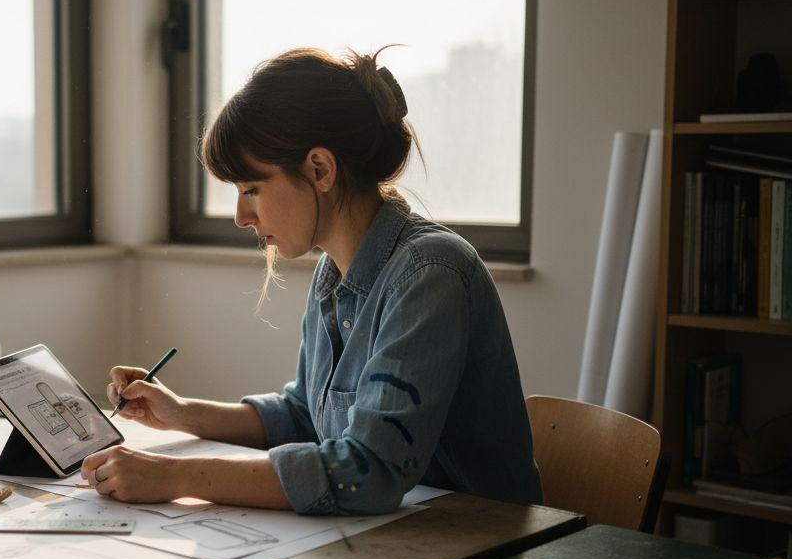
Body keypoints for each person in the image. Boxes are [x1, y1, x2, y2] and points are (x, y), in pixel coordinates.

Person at [81, 47, 542, 515]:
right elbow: (304, 415)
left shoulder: (430, 274)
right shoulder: (333, 272)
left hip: (481, 537)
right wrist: (181, 413)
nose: (241, 217)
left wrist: (174, 476)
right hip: (399, 537)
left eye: (251, 189)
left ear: (320, 169)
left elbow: (368, 471)